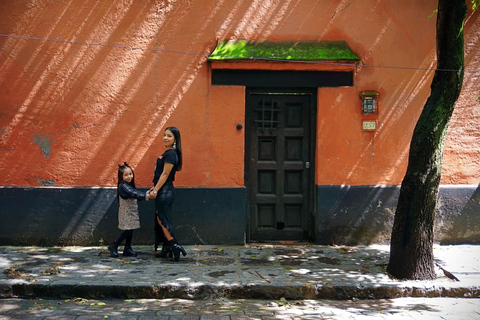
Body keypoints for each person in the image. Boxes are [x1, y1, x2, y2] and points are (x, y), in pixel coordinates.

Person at [152, 126, 187, 261]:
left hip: (165, 191)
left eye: (169, 136)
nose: (165, 138)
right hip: (162, 190)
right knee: (160, 219)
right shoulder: (167, 153)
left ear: (175, 139)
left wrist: (156, 190)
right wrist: (153, 188)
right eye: (164, 135)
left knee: (162, 219)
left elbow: (165, 174)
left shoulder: (171, 154)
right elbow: (160, 174)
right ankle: (167, 247)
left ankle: (175, 245)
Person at [108, 162, 155, 258]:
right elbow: (133, 193)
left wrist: (146, 193)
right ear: (121, 176)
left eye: (130, 174)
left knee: (131, 228)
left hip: (131, 211)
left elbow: (135, 192)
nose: (129, 176)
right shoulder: (123, 186)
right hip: (127, 212)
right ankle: (114, 245)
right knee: (128, 230)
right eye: (126, 175)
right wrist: (147, 196)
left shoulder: (127, 185)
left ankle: (127, 248)